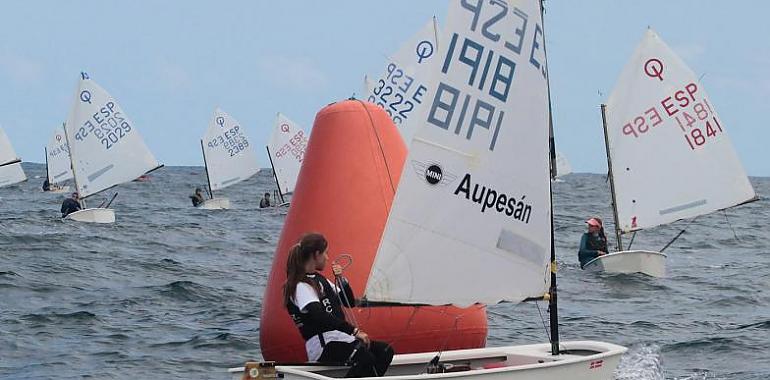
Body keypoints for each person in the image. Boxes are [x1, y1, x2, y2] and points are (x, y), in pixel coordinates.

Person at [284, 233, 393, 377]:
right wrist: (354, 331)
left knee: (385, 351)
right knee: (364, 358)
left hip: (340, 339)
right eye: (325, 253)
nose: (327, 258)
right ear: (316, 254)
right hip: (323, 345)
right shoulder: (300, 286)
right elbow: (318, 315)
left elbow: (348, 301)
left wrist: (341, 279)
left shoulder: (320, 280)